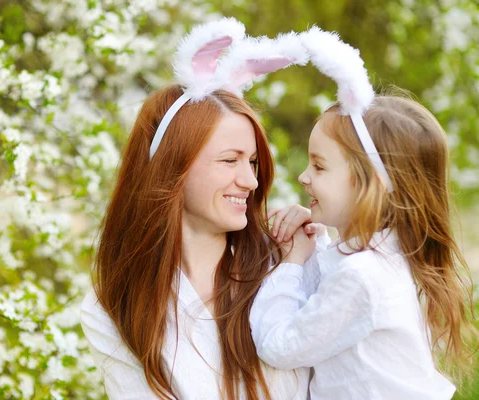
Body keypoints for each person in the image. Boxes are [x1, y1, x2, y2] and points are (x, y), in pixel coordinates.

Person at [80, 18, 324, 400]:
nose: (251, 181)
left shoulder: (288, 267)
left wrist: (318, 253)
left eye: (254, 163)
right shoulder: (115, 306)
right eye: (230, 161)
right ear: (174, 167)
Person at [250, 27, 476, 400]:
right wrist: (314, 237)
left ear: (369, 183)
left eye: (320, 167)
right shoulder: (380, 259)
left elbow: (279, 345)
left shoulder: (362, 276)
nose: (304, 177)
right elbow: (328, 297)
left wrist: (289, 267)